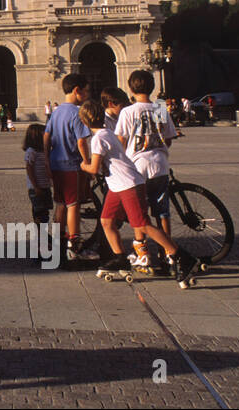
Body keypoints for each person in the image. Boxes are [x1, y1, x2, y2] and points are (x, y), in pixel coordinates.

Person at [81, 98, 199, 285]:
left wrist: (84, 165)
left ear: (84, 121)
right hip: (120, 184)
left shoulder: (98, 138)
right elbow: (167, 139)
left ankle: (181, 256)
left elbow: (94, 169)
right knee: (107, 220)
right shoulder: (108, 132)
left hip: (128, 184)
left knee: (143, 224)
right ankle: (120, 257)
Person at [113, 72, 178, 271]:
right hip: (159, 165)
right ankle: (168, 254)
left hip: (137, 167)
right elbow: (168, 138)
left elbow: (121, 141)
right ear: (152, 87)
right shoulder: (160, 107)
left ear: (130, 89)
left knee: (139, 213)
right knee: (162, 212)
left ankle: (143, 255)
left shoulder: (127, 111)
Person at [46, 73, 94, 262]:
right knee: (74, 205)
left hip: (55, 164)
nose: (88, 94)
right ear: (77, 91)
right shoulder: (77, 112)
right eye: (87, 91)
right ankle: (75, 245)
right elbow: (82, 142)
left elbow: (46, 137)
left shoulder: (56, 111)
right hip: (71, 165)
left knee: (60, 203)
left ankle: (59, 241)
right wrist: (88, 162)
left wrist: (46, 158)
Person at [23, 123, 53, 266]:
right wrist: (35, 186)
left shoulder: (42, 151)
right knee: (40, 218)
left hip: (44, 187)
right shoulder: (31, 151)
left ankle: (44, 246)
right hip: (37, 190)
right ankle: (42, 249)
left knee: (44, 217)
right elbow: (29, 169)